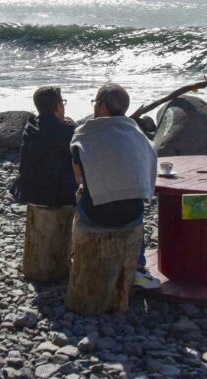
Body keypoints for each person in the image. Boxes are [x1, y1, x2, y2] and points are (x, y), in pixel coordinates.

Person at [70, 83, 161, 289]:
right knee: (134, 208)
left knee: (82, 196)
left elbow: (78, 179)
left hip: (96, 215)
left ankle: (82, 258)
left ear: (102, 107)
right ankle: (138, 268)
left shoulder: (84, 135)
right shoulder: (139, 136)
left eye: (95, 102)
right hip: (130, 215)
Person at [11, 86, 78, 206]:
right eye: (63, 103)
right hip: (57, 196)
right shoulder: (67, 132)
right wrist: (73, 126)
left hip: (27, 192)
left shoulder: (30, 127)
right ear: (58, 106)